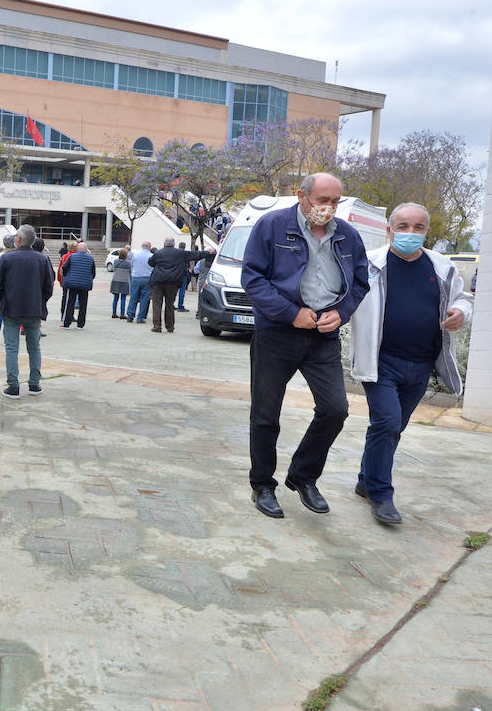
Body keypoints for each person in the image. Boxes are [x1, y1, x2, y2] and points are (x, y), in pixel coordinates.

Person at [241, 172, 369, 519]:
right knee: (266, 415)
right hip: (277, 333)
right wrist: (289, 312)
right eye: (322, 200)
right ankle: (262, 485)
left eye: (335, 202)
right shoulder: (272, 226)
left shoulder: (348, 236)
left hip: (322, 337)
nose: (328, 208)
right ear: (302, 196)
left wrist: (340, 313)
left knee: (335, 409)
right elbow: (252, 277)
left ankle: (303, 476)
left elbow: (359, 284)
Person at [349, 203, 472, 524]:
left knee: (392, 428)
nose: (410, 233)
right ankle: (381, 494)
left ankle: (366, 478)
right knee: (387, 424)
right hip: (380, 363)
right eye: (402, 226)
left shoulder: (441, 266)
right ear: (389, 230)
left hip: (421, 363)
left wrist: (461, 313)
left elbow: (462, 299)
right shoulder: (370, 265)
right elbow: (343, 297)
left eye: (418, 227)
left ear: (427, 231)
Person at [0, 224, 54, 397]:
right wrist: (40, 302)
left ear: (18, 239)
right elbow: (48, 287)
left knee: (12, 348)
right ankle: (34, 384)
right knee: (34, 348)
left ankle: (13, 385)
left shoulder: (7, 258)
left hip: (11, 309)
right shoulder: (42, 259)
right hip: (34, 310)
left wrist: (3, 302)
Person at [149, 238, 216, 333]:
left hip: (158, 281)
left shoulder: (158, 253)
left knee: (156, 304)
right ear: (174, 244)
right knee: (169, 304)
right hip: (173, 282)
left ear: (164, 244)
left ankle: (157, 326)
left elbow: (151, 263)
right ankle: (170, 327)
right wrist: (207, 252)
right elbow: (195, 254)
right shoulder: (180, 253)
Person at [60, 240, 96, 328]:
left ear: (78, 249)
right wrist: (89, 279)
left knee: (70, 303)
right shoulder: (91, 259)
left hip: (72, 283)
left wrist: (66, 276)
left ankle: (67, 323)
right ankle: (80, 324)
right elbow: (93, 272)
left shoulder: (72, 257)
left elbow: (64, 267)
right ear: (86, 249)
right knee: (83, 304)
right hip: (85, 284)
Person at [126, 241, 154, 323]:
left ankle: (130, 315)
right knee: (144, 299)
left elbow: (132, 266)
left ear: (142, 246)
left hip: (135, 277)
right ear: (150, 247)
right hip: (147, 278)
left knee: (133, 297)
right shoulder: (151, 256)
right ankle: (140, 317)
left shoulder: (135, 255)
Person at [109, 248, 131, 318]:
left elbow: (114, 269)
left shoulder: (115, 261)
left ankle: (114, 313)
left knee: (115, 297)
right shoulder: (128, 263)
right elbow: (130, 272)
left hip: (115, 280)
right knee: (123, 298)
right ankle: (122, 314)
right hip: (124, 281)